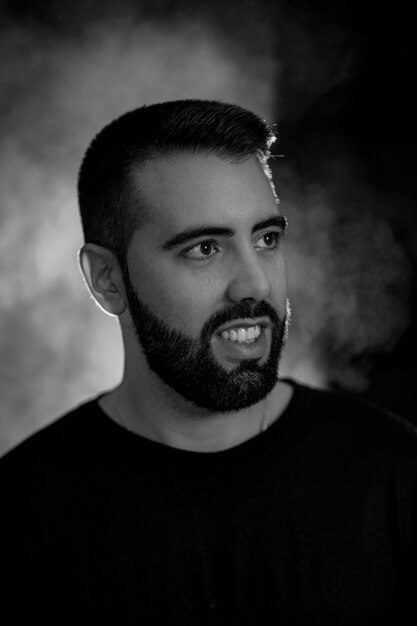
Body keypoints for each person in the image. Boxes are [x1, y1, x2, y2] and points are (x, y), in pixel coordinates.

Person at [1, 99, 416, 625]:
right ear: (107, 280)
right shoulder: (23, 513)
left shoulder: (394, 474)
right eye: (204, 249)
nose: (256, 284)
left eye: (266, 239)